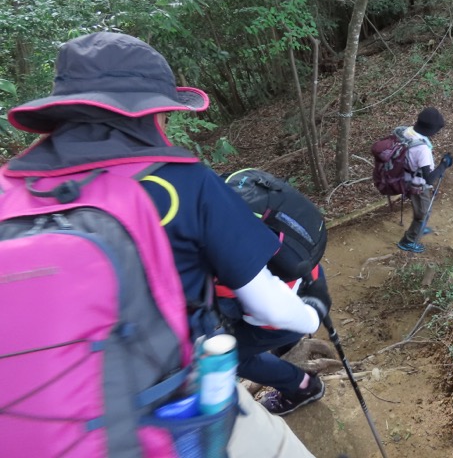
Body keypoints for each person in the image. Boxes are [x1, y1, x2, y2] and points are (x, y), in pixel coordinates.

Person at [3, 31, 322, 458]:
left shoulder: (11, 190)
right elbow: (269, 307)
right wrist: (310, 318)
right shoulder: (184, 182)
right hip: (170, 411)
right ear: (151, 114)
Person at [216, 265, 329, 416]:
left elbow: (230, 309)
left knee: (223, 356)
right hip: (309, 279)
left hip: (281, 316)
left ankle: (303, 387)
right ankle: (288, 350)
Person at [395, 107, 452, 253]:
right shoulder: (422, 150)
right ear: (431, 130)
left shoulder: (407, 132)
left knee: (421, 210)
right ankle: (408, 241)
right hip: (417, 185)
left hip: (404, 177)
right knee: (424, 213)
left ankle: (418, 228)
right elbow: (429, 179)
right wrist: (444, 164)